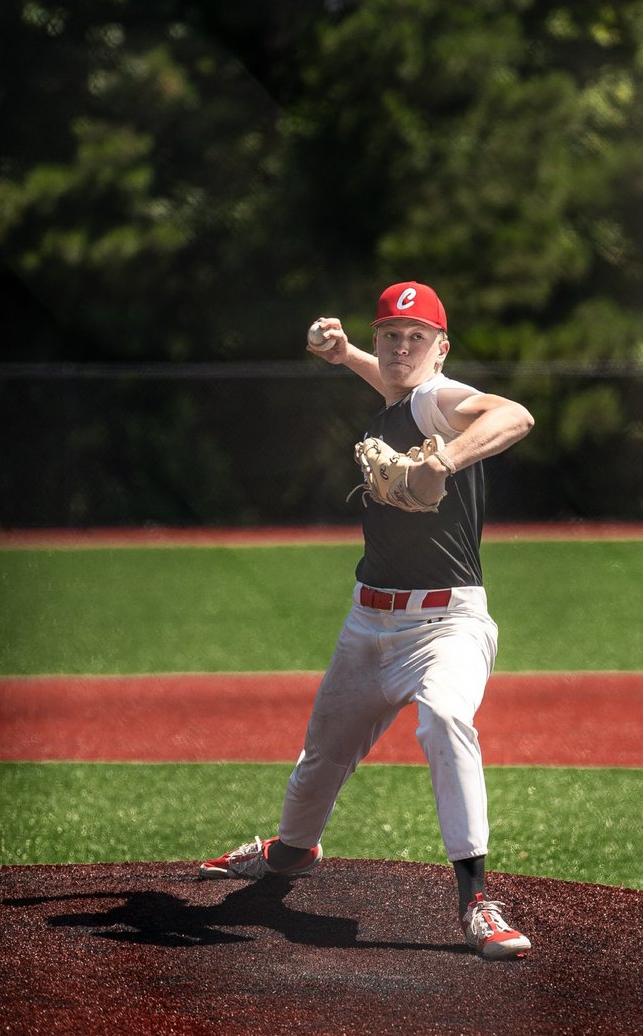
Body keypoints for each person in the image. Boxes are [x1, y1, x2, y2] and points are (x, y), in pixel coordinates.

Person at [199, 281, 536, 960]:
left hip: (447, 627)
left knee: (444, 718)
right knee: (319, 762)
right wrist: (346, 352)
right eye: (390, 335)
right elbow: (389, 382)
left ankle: (476, 900)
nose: (400, 347)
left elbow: (516, 415)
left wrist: (444, 457)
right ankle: (291, 853)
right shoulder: (395, 397)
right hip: (367, 626)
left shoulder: (438, 403)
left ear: (442, 350)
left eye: (416, 338)